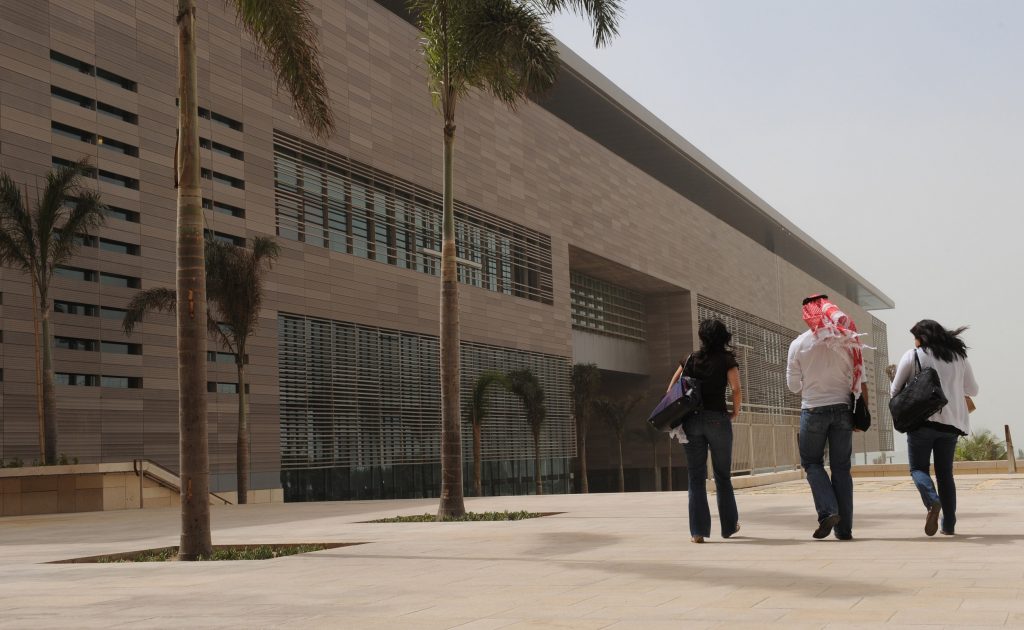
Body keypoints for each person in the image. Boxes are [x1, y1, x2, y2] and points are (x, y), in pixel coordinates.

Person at [786, 294, 869, 540]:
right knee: (841, 468)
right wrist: (862, 413)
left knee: (812, 463)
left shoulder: (798, 344)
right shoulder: (847, 340)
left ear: (807, 314)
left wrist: (808, 381)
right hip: (843, 410)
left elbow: (792, 386)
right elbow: (860, 379)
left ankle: (828, 511)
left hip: (812, 409)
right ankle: (844, 530)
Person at [890, 320, 978, 536]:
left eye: (916, 337)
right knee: (945, 475)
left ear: (923, 337)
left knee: (918, 469)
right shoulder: (959, 357)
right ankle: (948, 525)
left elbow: (895, 390)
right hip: (952, 424)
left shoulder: (914, 355)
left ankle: (932, 501)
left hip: (922, 422)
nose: (915, 341)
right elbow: (973, 390)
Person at [666, 318, 742, 543]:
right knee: (722, 476)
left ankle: (697, 532)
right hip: (718, 419)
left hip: (691, 422)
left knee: (696, 477)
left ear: (702, 336)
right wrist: (735, 411)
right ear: (723, 336)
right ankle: (728, 527)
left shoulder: (690, 358)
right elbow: (736, 389)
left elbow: (671, 388)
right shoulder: (727, 360)